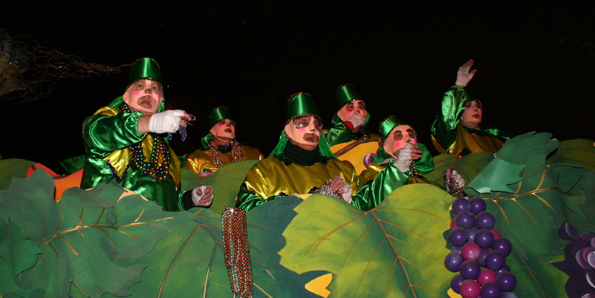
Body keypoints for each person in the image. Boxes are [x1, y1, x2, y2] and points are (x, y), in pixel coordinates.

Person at [80, 57, 213, 211]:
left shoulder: (165, 151)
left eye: (155, 88)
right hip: (112, 227)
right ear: (126, 96)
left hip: (162, 230)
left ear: (160, 101)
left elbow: (167, 201)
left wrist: (189, 199)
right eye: (140, 85)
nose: (148, 91)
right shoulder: (106, 123)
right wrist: (150, 122)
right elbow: (97, 134)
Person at [235, 93, 376, 211]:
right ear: (288, 131)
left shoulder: (343, 170)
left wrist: (347, 201)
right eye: (303, 123)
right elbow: (246, 209)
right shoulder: (265, 170)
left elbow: (364, 213)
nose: (312, 129)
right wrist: (296, 202)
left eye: (316, 124)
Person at [431, 59, 509, 156]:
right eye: (468, 106)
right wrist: (459, 86)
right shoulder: (453, 135)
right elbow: (446, 119)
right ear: (458, 111)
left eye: (478, 105)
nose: (475, 109)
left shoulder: (498, 138)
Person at [357, 117, 435, 209]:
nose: (408, 138)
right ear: (387, 147)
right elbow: (372, 202)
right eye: (398, 135)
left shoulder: (424, 173)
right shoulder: (373, 172)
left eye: (411, 134)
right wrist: (399, 167)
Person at [185, 106, 263, 175]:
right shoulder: (196, 159)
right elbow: (185, 188)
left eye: (231, 123)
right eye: (222, 122)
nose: (229, 125)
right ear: (212, 131)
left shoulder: (254, 154)